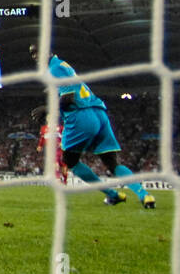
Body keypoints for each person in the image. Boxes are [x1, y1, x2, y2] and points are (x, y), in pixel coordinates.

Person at [30, 45, 154, 209]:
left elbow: (68, 97)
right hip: (99, 113)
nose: (35, 57)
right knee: (112, 163)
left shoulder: (55, 68)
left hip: (82, 115)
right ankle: (145, 196)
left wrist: (45, 109)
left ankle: (112, 194)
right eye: (33, 54)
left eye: (37, 53)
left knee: (70, 160)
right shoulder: (63, 66)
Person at [38, 120, 67, 184]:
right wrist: (40, 145)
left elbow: (66, 136)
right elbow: (42, 138)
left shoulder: (60, 128)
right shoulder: (44, 129)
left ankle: (64, 179)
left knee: (63, 166)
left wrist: (63, 143)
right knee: (55, 163)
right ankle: (58, 178)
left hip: (60, 150)